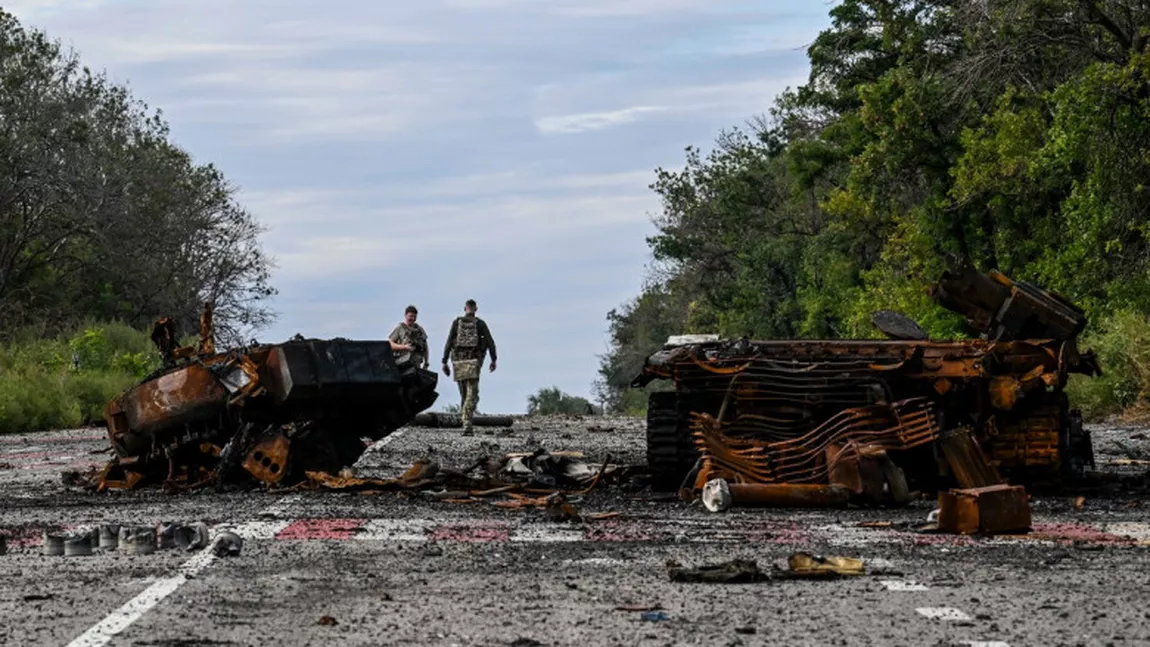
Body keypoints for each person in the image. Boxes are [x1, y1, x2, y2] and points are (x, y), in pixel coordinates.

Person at [441, 299, 497, 435]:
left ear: (465, 309)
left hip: (458, 361)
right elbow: (490, 342)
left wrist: (444, 361)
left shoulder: (456, 323)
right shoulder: (480, 324)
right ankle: (467, 423)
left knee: (464, 393)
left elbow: (449, 341)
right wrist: (493, 359)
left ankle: (465, 422)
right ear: (475, 309)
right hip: (474, 361)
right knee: (472, 394)